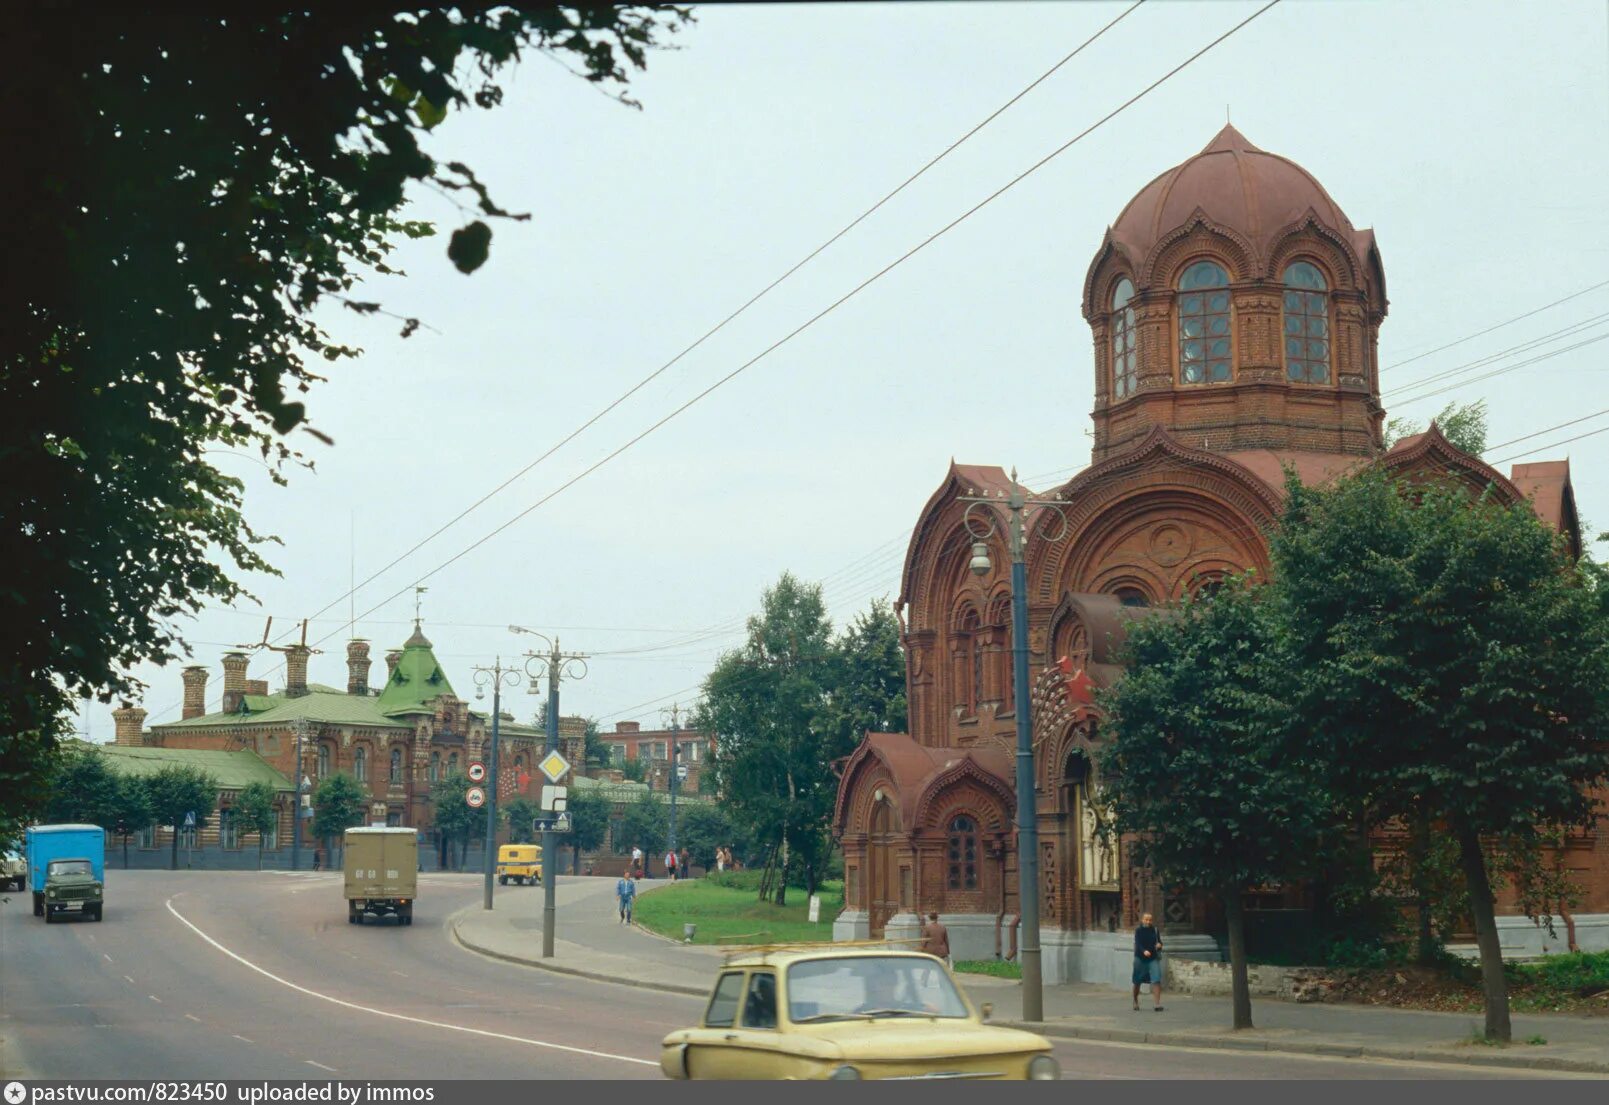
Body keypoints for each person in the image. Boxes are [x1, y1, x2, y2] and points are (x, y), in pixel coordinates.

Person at [1132, 911, 1164, 1011]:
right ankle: (1135, 1001)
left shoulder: (1154, 930)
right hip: (1140, 958)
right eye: (1146, 919)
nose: (1148, 922)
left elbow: (1159, 942)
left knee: (1156, 979)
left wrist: (1160, 945)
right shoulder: (1138, 930)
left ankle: (1157, 1004)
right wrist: (1143, 951)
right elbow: (1138, 943)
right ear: (1142, 920)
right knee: (1137, 980)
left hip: (1153, 958)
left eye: (1150, 920)